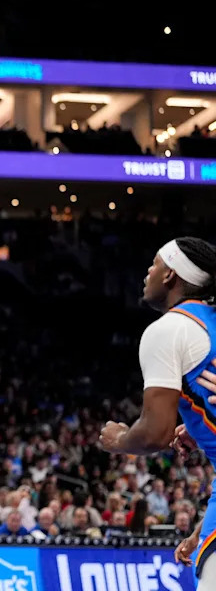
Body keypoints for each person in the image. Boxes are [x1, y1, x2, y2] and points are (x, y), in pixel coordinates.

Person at [97, 238, 216, 587]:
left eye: (155, 264)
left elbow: (154, 434)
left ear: (170, 276)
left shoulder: (168, 330)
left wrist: (119, 439)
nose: (148, 272)